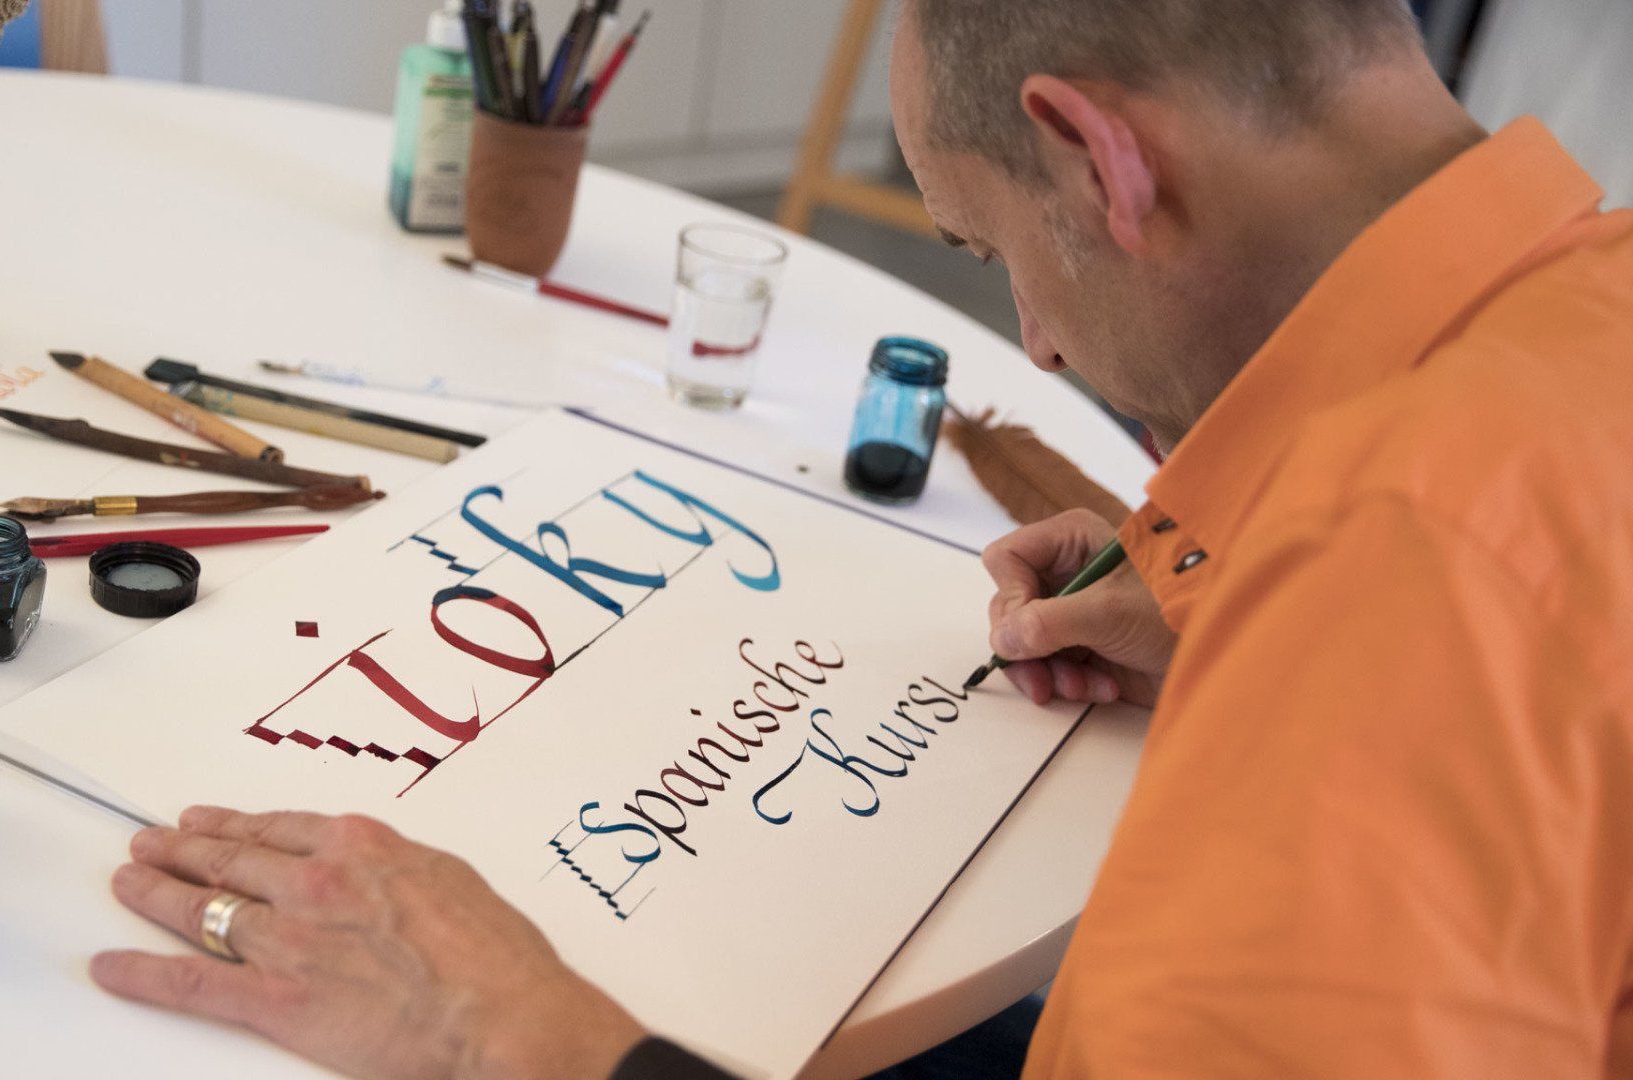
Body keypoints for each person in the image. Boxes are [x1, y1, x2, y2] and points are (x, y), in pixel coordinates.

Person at [86, 0, 1633, 1076]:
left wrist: (510, 1032)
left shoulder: (1398, 560)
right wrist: (1236, 632)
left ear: (1098, 160)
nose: (1035, 342)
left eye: (986, 243)